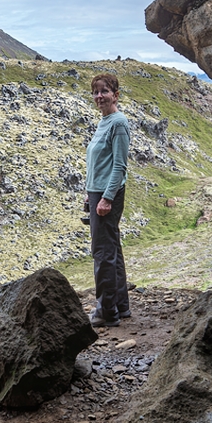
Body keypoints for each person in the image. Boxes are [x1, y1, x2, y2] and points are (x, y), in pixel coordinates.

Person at [85, 73, 130, 328]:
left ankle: (106, 312)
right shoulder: (104, 122)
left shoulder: (118, 123)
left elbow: (119, 167)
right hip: (97, 192)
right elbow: (99, 162)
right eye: (96, 92)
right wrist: (89, 194)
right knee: (112, 249)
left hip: (107, 195)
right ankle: (120, 306)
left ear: (116, 94)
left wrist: (106, 199)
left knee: (102, 253)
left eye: (104, 91)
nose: (99, 96)